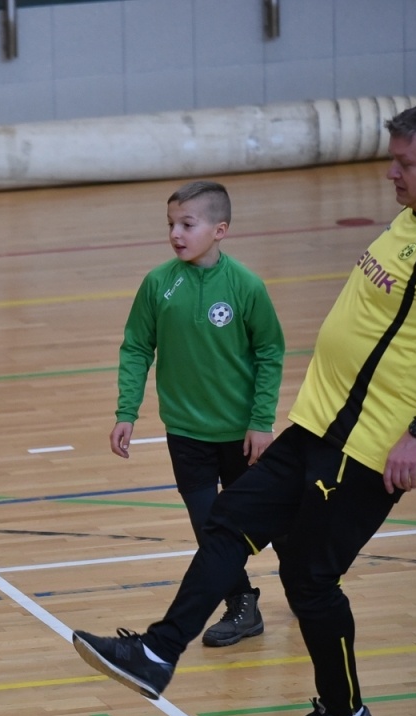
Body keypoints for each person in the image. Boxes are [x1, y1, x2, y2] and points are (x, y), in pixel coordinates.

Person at [72, 99, 416, 716]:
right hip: (317, 422)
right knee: (229, 521)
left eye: (405, 162)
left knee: (309, 576)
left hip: (366, 447)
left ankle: (346, 714)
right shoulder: (411, 220)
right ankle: (158, 653)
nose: (392, 172)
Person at [113, 179, 286, 648]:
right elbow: (136, 348)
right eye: (171, 224)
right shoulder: (158, 284)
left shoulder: (246, 285)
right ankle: (242, 604)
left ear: (219, 230)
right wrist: (127, 410)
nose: (176, 234)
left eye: (187, 224)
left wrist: (261, 421)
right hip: (187, 434)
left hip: (241, 435)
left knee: (270, 521)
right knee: (212, 529)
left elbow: (270, 352)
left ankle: (306, 580)